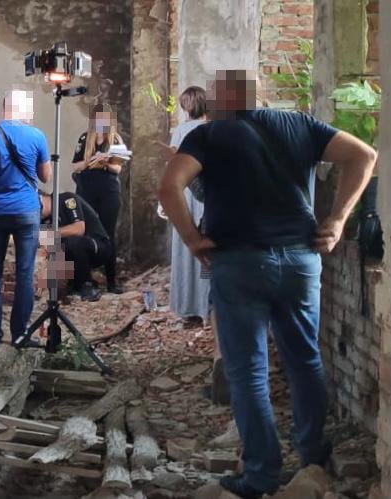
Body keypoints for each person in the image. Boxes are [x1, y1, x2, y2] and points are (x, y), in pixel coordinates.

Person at [159, 69, 377, 498]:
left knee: (248, 372)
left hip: (239, 262)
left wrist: (193, 240)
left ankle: (260, 474)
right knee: (305, 360)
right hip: (300, 261)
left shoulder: (208, 135)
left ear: (218, 101)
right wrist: (336, 220)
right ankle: (312, 455)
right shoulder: (300, 124)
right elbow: (364, 155)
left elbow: (170, 187)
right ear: (255, 95)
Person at [0, 89, 52, 347]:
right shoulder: (37, 135)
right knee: (24, 272)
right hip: (27, 212)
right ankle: (19, 334)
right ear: (23, 109)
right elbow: (45, 177)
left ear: (5, 108)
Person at [71, 103, 127, 294]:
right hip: (86, 190)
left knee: (108, 234)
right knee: (84, 232)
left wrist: (105, 162)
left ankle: (111, 281)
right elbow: (75, 166)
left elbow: (118, 168)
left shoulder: (116, 139)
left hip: (108, 191)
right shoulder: (85, 138)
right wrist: (89, 161)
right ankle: (85, 280)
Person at [168, 86, 210, 322]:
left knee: (189, 246)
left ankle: (189, 306)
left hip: (188, 192)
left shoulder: (183, 130)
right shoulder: (213, 127)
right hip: (208, 192)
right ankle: (208, 307)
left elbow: (173, 167)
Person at [39, 191, 111, 302]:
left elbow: (78, 229)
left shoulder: (66, 199)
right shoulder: (42, 220)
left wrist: (50, 233)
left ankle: (87, 284)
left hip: (98, 245)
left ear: (41, 198)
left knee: (72, 241)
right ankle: (71, 285)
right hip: (73, 252)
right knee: (55, 247)